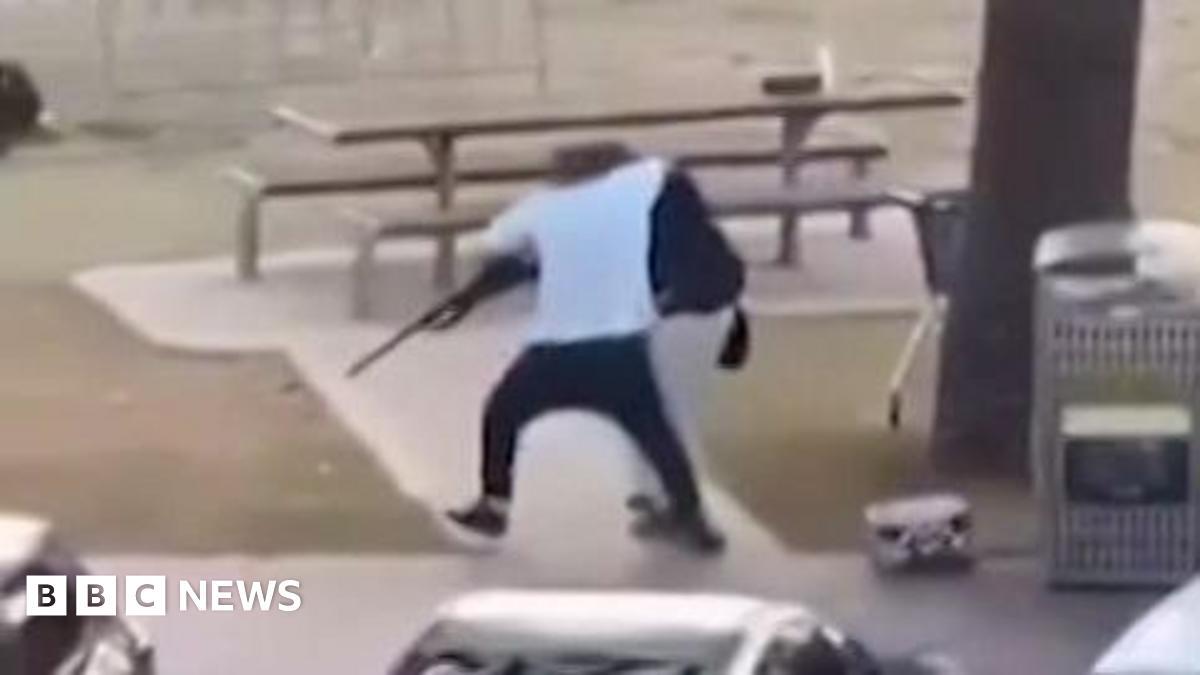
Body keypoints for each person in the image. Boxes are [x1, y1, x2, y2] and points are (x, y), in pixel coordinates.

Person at [437, 142, 747, 555]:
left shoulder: (543, 205)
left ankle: (493, 505)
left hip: (555, 349)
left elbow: (499, 249)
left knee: (503, 413)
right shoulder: (633, 195)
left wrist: (466, 298)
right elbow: (662, 170)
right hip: (619, 348)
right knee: (656, 433)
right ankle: (693, 519)